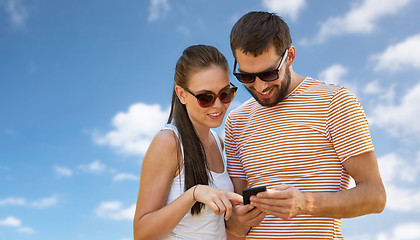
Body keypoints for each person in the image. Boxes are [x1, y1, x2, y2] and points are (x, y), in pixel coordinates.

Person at [224, 11, 386, 239]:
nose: (259, 87)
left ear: (290, 55)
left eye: (269, 73)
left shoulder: (335, 102)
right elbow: (236, 215)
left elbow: (375, 196)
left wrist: (306, 203)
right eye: (247, 77)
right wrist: (236, 220)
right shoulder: (236, 122)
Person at [133, 44, 243, 240]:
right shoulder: (168, 143)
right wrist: (193, 194)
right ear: (182, 94)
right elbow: (142, 234)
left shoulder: (218, 143)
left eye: (226, 93)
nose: (218, 105)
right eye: (205, 97)